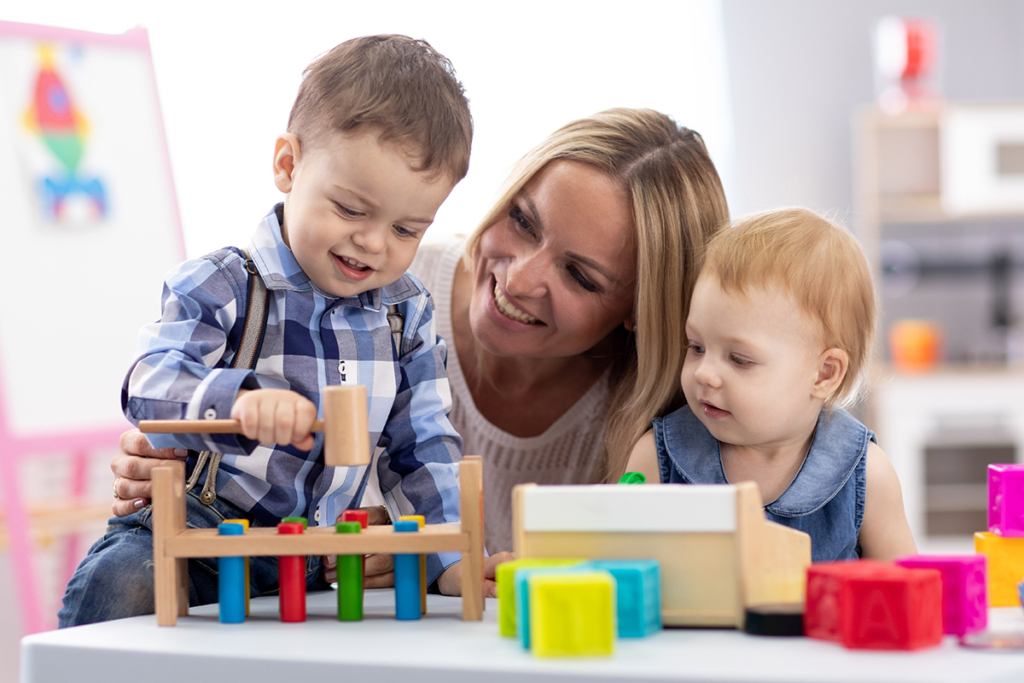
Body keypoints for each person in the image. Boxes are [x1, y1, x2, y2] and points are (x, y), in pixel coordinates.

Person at [111, 107, 730, 579]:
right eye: (521, 219)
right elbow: (168, 390)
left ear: (637, 311)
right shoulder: (371, 284)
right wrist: (186, 447)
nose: (519, 278)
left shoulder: (663, 422)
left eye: (580, 276)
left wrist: (425, 554)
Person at [60, 35, 508, 628]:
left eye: (406, 229)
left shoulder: (406, 314)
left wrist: (452, 557)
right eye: (350, 210)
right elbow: (150, 381)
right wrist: (240, 403)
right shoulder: (225, 282)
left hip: (314, 558)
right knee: (125, 585)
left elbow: (423, 445)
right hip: (201, 531)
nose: (373, 243)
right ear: (289, 166)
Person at [627, 208, 917, 562]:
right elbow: (623, 579)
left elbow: (909, 591)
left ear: (824, 374)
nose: (704, 373)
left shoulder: (868, 475)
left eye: (739, 359)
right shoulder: (657, 457)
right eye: (697, 347)